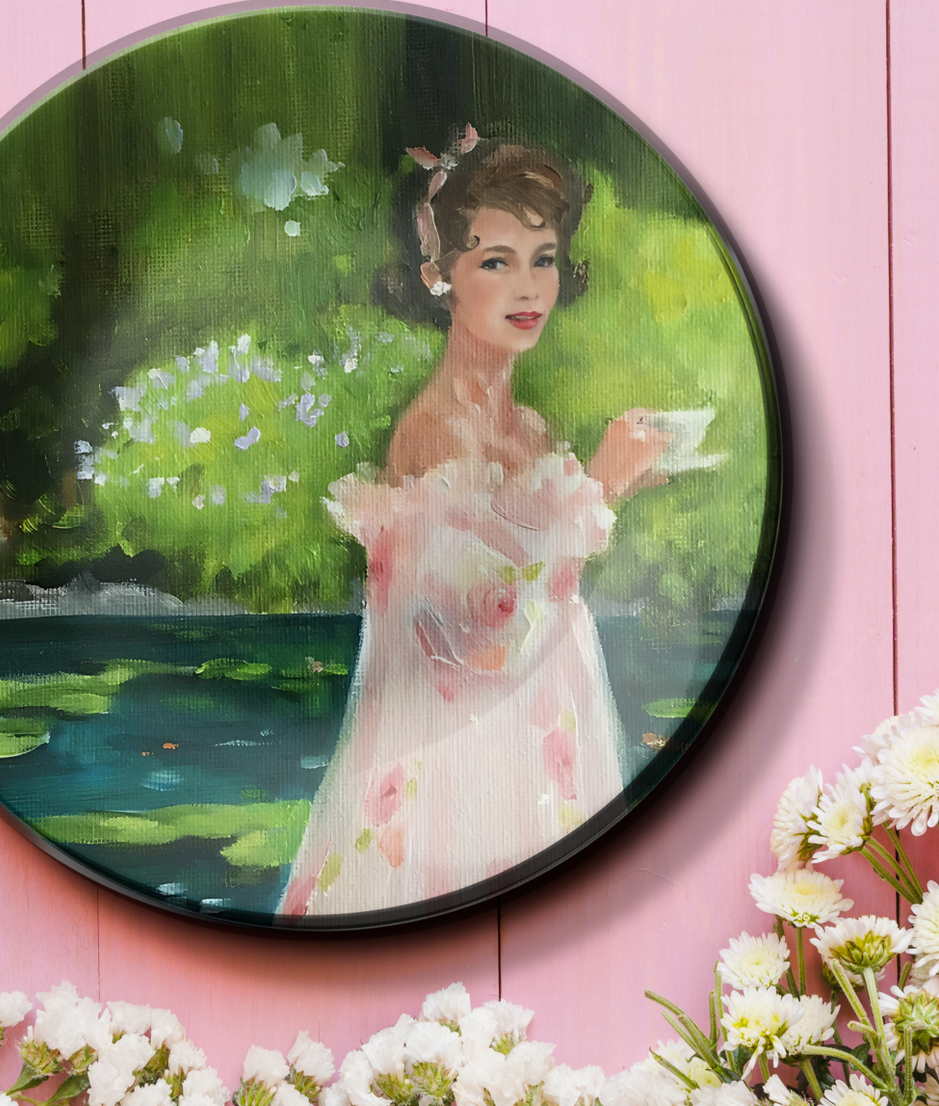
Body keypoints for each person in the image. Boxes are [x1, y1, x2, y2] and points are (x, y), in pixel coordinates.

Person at [281, 131, 671, 918]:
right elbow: (475, 644)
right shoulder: (430, 435)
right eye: (495, 260)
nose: (527, 285)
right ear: (439, 273)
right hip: (456, 769)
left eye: (543, 257)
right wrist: (600, 490)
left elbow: (547, 601)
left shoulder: (529, 430)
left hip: (545, 741)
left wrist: (600, 488)